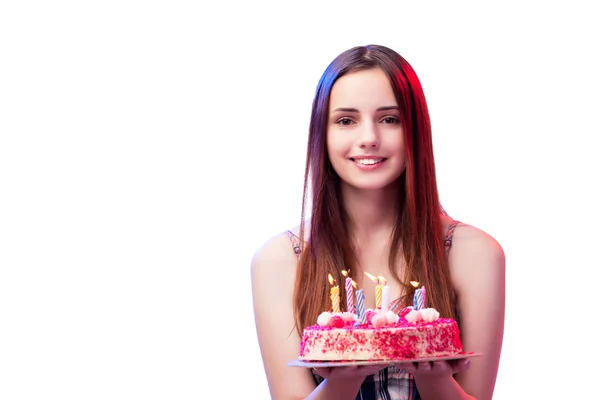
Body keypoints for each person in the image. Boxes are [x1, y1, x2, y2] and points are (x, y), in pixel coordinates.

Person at [251, 44, 505, 400]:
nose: (369, 138)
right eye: (346, 120)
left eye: (390, 119)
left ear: (415, 130)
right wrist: (341, 380)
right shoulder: (281, 260)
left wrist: (434, 377)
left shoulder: (474, 253)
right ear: (321, 135)